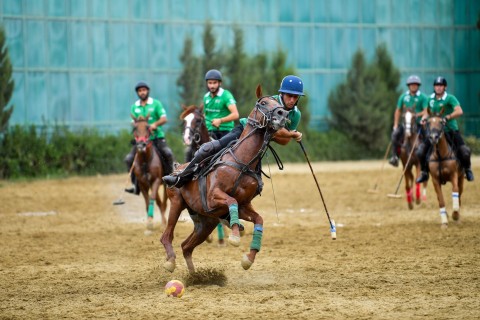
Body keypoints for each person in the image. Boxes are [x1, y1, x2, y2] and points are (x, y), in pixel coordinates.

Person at [163, 75, 304, 188]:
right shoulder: (270, 103)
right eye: (288, 95)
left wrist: (285, 135)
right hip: (244, 131)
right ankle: (181, 176)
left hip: (259, 142)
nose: (291, 99)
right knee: (209, 148)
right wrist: (291, 134)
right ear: (281, 93)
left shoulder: (295, 114)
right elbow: (279, 132)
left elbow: (284, 141)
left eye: (295, 97)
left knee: (256, 184)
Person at [416, 76, 474, 183]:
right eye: (436, 85)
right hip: (435, 131)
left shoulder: (450, 98)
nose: (438, 88)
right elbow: (427, 112)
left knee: (464, 151)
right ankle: (424, 172)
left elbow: (459, 111)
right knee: (420, 151)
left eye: (441, 86)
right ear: (434, 87)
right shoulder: (430, 99)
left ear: (445, 87)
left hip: (450, 129)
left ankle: (467, 169)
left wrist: (448, 117)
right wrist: (424, 119)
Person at [124, 81, 175, 194]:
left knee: (168, 154)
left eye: (144, 90)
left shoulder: (156, 104)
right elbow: (133, 123)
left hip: (157, 137)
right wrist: (141, 126)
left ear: (148, 91)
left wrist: (154, 125)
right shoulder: (135, 107)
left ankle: (171, 182)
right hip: (141, 140)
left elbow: (164, 118)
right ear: (137, 93)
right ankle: (136, 185)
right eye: (140, 91)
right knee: (128, 159)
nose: (142, 92)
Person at [388, 75, 428, 167]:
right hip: (405, 124)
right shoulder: (403, 97)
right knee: (394, 135)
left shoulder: (423, 97)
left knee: (428, 137)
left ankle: (428, 157)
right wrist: (395, 125)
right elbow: (398, 110)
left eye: (415, 84)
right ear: (408, 86)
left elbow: (426, 110)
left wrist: (417, 115)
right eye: (411, 84)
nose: (413, 86)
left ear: (418, 86)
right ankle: (395, 157)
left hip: (418, 124)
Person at [203, 69, 239, 140]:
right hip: (209, 131)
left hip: (225, 131)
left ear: (220, 83)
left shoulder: (226, 95)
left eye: (214, 83)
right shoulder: (206, 97)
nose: (212, 86)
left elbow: (235, 114)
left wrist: (220, 120)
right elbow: (206, 114)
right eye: (210, 83)